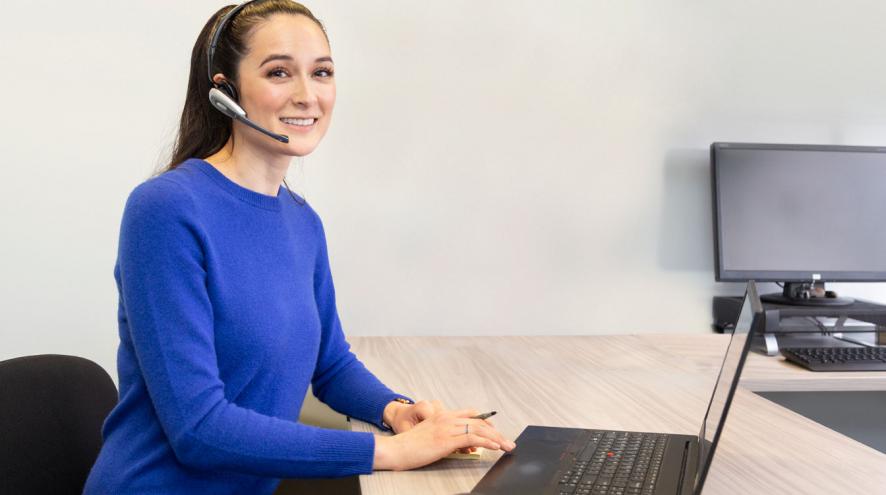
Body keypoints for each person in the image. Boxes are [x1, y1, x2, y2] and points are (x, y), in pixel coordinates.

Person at [83, 1, 515, 493]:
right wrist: (390, 452)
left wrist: (395, 410)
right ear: (225, 90)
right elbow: (198, 429)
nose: (308, 95)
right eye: (280, 73)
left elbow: (330, 364)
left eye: (322, 72)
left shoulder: (302, 222)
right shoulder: (165, 210)